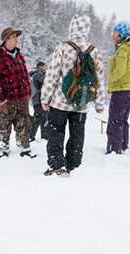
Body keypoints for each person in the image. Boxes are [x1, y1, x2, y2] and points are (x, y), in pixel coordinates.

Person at [41, 15, 105, 175]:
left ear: (72, 28)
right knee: (77, 134)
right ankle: (73, 165)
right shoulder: (94, 51)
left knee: (56, 131)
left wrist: (45, 98)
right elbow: (100, 79)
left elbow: (52, 75)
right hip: (81, 103)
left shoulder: (63, 48)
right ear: (87, 29)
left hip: (59, 102)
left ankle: (57, 165)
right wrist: (99, 102)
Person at [0, 27, 33, 158]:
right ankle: (3, 149)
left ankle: (24, 148)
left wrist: (28, 91)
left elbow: (25, 74)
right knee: (4, 124)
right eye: (14, 37)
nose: (16, 39)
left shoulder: (19, 56)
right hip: (7, 100)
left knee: (24, 123)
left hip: (22, 98)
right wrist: (1, 99)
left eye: (16, 37)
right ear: (6, 40)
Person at [106, 21, 130, 154]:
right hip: (128, 88)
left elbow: (119, 71)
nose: (112, 35)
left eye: (114, 33)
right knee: (122, 119)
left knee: (114, 120)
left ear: (120, 34)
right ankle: (122, 144)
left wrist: (111, 80)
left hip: (120, 89)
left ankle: (114, 149)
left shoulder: (123, 49)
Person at [30, 61, 47, 141]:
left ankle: (42, 136)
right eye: (43, 67)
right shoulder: (38, 74)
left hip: (38, 100)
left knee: (41, 118)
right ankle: (31, 136)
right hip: (38, 99)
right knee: (39, 118)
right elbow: (45, 81)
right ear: (39, 67)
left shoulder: (36, 74)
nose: (45, 69)